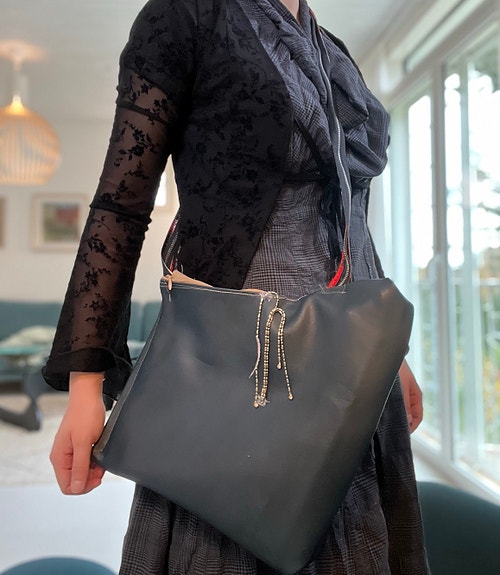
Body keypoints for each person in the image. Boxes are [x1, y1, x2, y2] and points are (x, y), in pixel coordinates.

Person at [43, 0, 429, 573]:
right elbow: (121, 208)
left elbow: (348, 218)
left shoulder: (333, 54)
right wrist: (85, 384)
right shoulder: (186, 16)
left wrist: (390, 350)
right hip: (241, 371)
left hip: (350, 368)